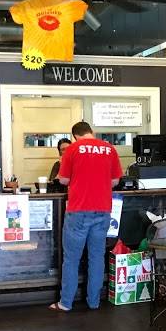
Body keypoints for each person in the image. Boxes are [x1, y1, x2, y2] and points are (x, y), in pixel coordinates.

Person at [50, 121, 122, 312]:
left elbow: (63, 180)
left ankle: (66, 303)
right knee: (97, 257)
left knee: (72, 259)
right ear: (92, 132)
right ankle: (94, 302)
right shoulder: (109, 149)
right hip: (103, 210)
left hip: (79, 210)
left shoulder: (72, 150)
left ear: (75, 136)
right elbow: (115, 181)